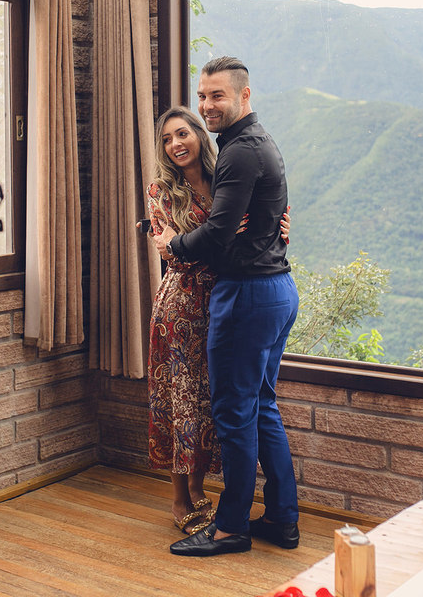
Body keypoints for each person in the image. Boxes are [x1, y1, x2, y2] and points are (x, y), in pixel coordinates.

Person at [154, 56, 301, 557]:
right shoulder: (257, 146)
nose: (206, 105)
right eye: (202, 96)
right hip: (276, 289)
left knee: (234, 414)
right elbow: (268, 214)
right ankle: (281, 518)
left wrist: (174, 245)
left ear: (244, 96)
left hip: (246, 294)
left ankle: (229, 527)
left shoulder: (239, 152)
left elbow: (217, 235)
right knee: (261, 408)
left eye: (216, 96)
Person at [145, 106, 221, 535]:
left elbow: (243, 235)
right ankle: (178, 498)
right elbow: (170, 252)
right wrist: (195, 248)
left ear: (198, 135)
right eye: (167, 140)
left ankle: (198, 489)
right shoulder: (161, 190)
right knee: (180, 403)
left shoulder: (221, 180)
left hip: (221, 306)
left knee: (208, 403)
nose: (176, 145)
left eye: (182, 134)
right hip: (179, 309)